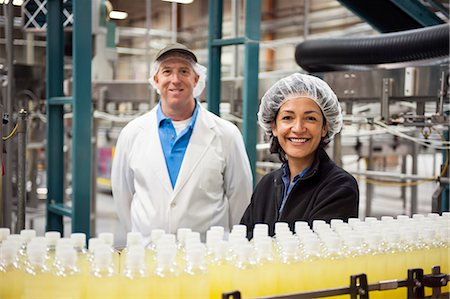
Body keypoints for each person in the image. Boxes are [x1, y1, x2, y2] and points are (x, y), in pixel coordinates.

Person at [111, 43, 253, 243]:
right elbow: (122, 194)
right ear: (156, 79)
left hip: (206, 254)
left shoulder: (226, 134)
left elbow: (240, 198)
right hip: (149, 253)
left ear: (196, 79)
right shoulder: (132, 133)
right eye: (167, 71)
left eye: (184, 71)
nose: (175, 80)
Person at [240, 73, 359, 237]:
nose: (298, 128)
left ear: (325, 127)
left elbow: (317, 252)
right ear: (274, 126)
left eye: (310, 118)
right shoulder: (268, 184)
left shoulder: (339, 186)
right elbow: (245, 239)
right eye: (288, 117)